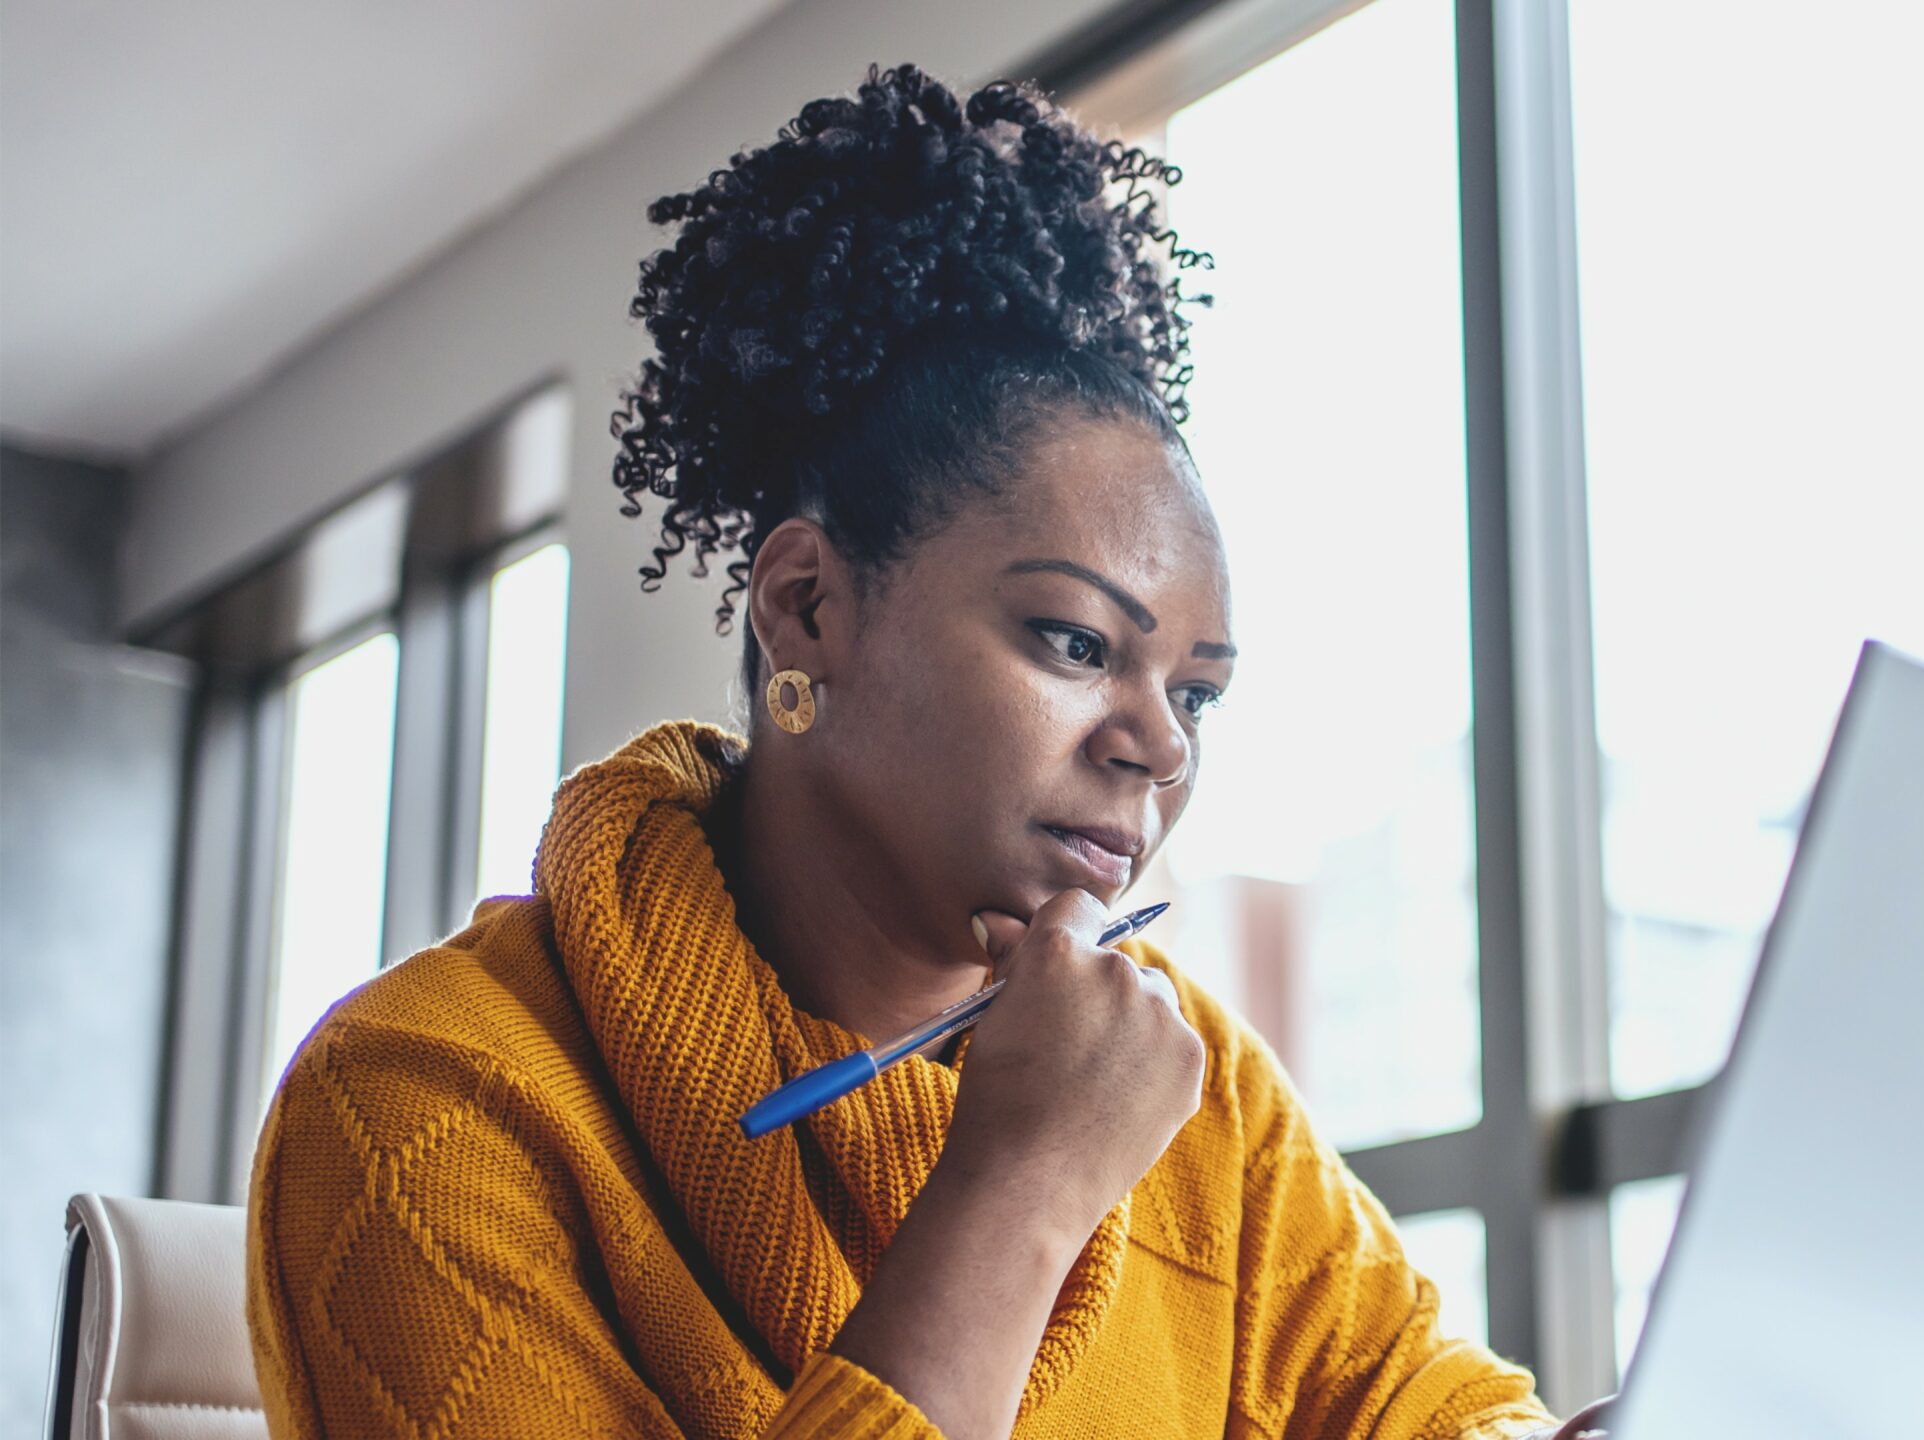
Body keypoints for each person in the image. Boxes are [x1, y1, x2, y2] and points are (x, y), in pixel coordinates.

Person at [244, 64, 1612, 1440]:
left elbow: (1438, 1412)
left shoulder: (1204, 1097)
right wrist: (1020, 1189)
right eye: (1077, 643)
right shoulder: (422, 1097)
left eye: (1197, 695)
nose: (1156, 748)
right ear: (809, 609)